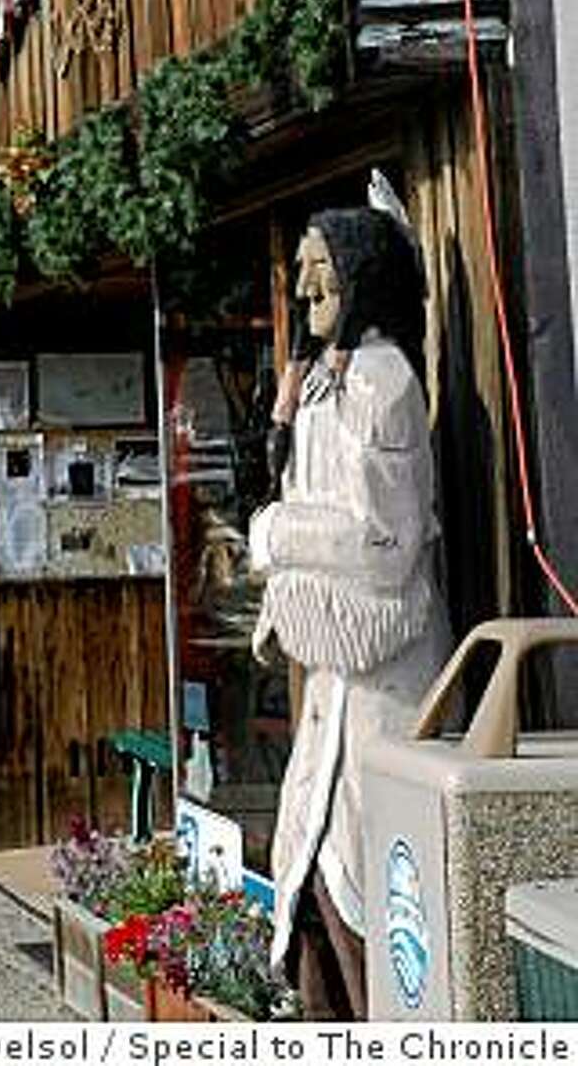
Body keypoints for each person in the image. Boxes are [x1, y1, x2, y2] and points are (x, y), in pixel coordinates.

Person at [248, 173, 451, 1020]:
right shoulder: (328, 385)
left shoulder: (382, 381)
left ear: (363, 269)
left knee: (377, 888)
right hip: (334, 688)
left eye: (320, 266)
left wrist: (273, 534)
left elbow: (383, 546)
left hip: (385, 683)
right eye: (300, 269)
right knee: (312, 879)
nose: (303, 287)